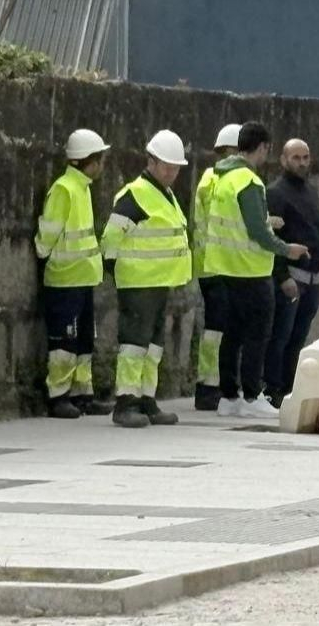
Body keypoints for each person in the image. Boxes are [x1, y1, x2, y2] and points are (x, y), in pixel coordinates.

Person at [201, 122, 309, 419]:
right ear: (262, 147)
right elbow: (256, 233)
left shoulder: (222, 178)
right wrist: (289, 249)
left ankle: (229, 395)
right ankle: (251, 395)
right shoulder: (249, 181)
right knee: (257, 334)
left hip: (226, 266)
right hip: (251, 269)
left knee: (232, 333)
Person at [102, 130, 191, 429]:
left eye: (176, 167)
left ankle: (146, 399)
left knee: (153, 346)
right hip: (138, 283)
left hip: (157, 282)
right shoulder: (135, 194)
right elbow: (111, 236)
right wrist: (115, 270)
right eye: (166, 165)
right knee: (134, 345)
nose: (172, 172)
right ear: (150, 161)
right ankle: (126, 403)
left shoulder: (163, 194)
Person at [34, 128, 115, 419]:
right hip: (65, 278)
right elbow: (49, 232)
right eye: (100, 160)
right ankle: (59, 396)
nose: (103, 166)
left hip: (81, 278)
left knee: (83, 341)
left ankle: (83, 394)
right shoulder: (65, 189)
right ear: (88, 161)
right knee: (64, 342)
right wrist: (46, 257)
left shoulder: (81, 188)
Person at [264, 138, 319, 407]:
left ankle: (290, 389)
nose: (302, 162)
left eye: (306, 157)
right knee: (281, 337)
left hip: (312, 280)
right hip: (291, 279)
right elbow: (272, 239)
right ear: (283, 160)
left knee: (298, 339)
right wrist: (282, 277)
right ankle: (272, 389)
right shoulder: (275, 193)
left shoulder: (310, 191)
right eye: (296, 158)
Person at [192, 123, 240, 411]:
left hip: (213, 265)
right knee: (217, 330)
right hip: (218, 267)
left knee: (219, 329)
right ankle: (210, 386)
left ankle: (214, 384)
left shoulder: (208, 178)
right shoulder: (218, 181)